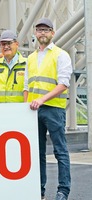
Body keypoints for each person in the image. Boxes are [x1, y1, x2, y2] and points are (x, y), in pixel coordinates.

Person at [24, 18, 72, 200]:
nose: (42, 33)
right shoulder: (31, 58)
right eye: (39, 30)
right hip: (34, 111)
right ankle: (39, 190)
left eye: (46, 30)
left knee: (60, 150)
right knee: (37, 153)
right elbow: (27, 86)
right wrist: (25, 106)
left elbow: (63, 84)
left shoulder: (61, 55)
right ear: (35, 34)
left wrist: (42, 99)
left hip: (53, 109)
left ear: (53, 33)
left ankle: (63, 190)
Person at [0, 30, 26, 103]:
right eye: (3, 44)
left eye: (9, 43)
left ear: (17, 44)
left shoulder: (27, 64)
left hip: (19, 111)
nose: (6, 47)